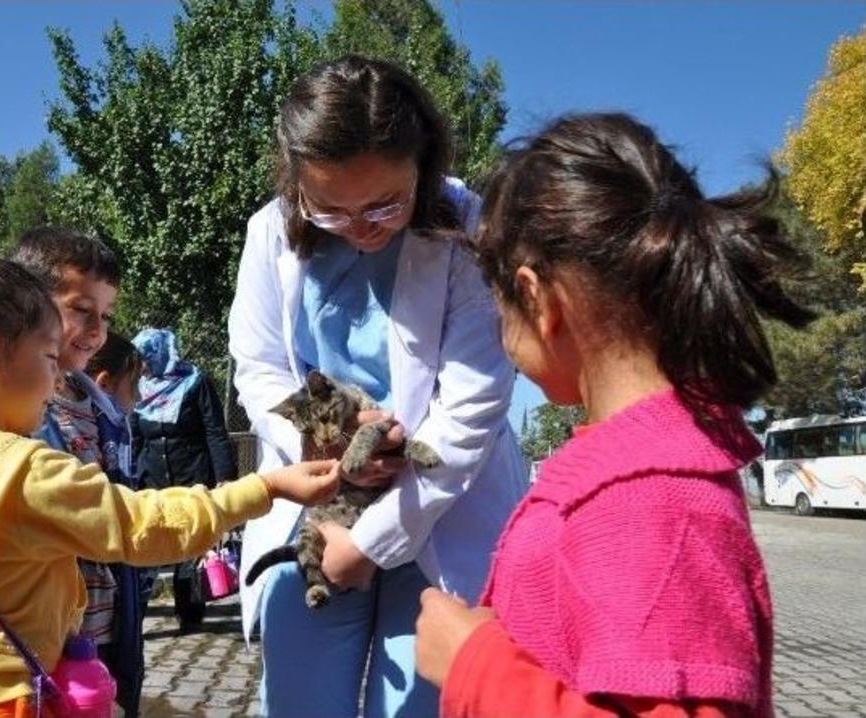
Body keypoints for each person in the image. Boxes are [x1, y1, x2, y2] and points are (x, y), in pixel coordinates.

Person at [414, 112, 814, 717]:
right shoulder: (631, 482)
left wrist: (476, 664)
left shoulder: (654, 504)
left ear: (537, 299)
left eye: (499, 306)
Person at [0, 254, 342, 717]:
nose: (55, 379)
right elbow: (145, 526)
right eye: (48, 358)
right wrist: (266, 488)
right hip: (6, 703)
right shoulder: (23, 470)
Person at [229, 55, 528, 718]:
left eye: (384, 204)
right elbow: (260, 367)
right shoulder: (269, 232)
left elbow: (471, 408)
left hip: (444, 506)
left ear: (422, 165)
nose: (360, 229)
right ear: (295, 177)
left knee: (425, 701)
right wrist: (319, 445)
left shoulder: (469, 230)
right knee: (302, 701)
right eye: (331, 210)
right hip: (320, 506)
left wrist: (371, 544)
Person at [12, 227, 143, 718]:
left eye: (106, 315)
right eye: (81, 310)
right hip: (39, 641)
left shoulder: (106, 412)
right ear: (25, 303)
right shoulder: (12, 411)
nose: (98, 330)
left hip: (106, 630)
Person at [133, 327, 237, 632]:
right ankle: (134, 615)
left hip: (191, 474)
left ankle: (189, 615)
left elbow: (215, 431)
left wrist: (225, 478)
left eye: (146, 357)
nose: (142, 365)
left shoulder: (196, 382)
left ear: (161, 354)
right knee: (145, 546)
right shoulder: (139, 387)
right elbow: (135, 434)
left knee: (189, 546)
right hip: (151, 477)